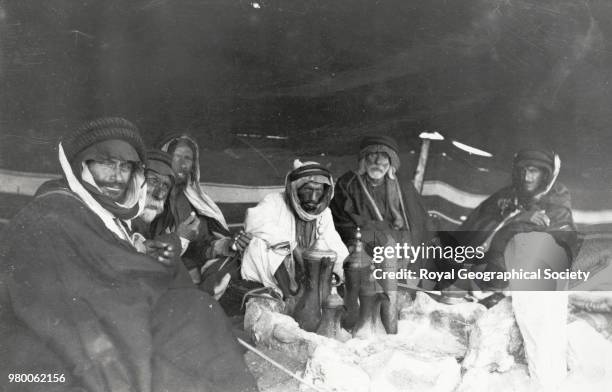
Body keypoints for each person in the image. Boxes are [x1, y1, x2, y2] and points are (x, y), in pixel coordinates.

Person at [0, 118, 257, 392]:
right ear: (81, 165)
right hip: (61, 331)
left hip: (106, 307)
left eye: (125, 167)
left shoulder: (122, 208)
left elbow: (126, 263)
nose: (117, 177)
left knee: (197, 311)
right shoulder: (54, 212)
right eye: (106, 163)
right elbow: (73, 290)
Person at [449, 148, 578, 290]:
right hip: (482, 271)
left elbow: (559, 246)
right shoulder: (507, 195)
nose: (527, 178)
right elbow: (474, 225)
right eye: (523, 171)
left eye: (533, 171)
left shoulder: (557, 201)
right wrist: (518, 218)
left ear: (546, 175)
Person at [241, 160, 349, 299]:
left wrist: (348, 270)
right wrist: (293, 247)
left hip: (309, 272)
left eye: (318, 190)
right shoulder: (274, 201)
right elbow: (254, 223)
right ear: (296, 189)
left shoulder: (324, 213)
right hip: (280, 273)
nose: (313, 197)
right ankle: (286, 296)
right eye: (308, 189)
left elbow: (334, 245)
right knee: (258, 244)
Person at [132, 149, 229, 300]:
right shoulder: (122, 217)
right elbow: (138, 267)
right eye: (153, 181)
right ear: (136, 180)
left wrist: (222, 247)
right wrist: (179, 238)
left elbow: (198, 245)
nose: (159, 194)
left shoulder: (172, 209)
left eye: (165, 186)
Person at [158, 134, 252, 285]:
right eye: (177, 156)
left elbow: (201, 245)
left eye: (188, 158)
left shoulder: (191, 202)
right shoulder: (152, 199)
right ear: (166, 158)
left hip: (191, 274)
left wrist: (228, 244)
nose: (182, 164)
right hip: (162, 273)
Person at [330, 135, 432, 269]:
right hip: (364, 249)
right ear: (364, 159)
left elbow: (419, 221)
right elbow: (341, 222)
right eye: (373, 155)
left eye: (384, 156)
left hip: (401, 253)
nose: (378, 162)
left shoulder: (403, 186)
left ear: (391, 162)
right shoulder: (347, 183)